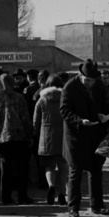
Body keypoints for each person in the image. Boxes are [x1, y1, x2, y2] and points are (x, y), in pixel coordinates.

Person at [60, 59, 109, 217]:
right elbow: (64, 110)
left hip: (96, 133)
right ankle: (73, 208)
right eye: (87, 80)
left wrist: (105, 116)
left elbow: (105, 104)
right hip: (76, 135)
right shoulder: (70, 87)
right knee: (75, 171)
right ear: (80, 75)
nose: (90, 83)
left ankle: (97, 205)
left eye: (92, 80)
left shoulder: (99, 85)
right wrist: (80, 121)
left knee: (96, 169)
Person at [0, 73, 34, 205]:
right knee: (21, 168)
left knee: (5, 169)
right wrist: (30, 135)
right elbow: (25, 118)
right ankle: (22, 196)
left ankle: (4, 197)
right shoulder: (19, 98)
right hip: (20, 137)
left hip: (2, 138)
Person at [33, 74, 68, 206]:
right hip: (63, 136)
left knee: (49, 166)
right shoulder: (65, 99)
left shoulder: (41, 100)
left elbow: (36, 121)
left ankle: (51, 186)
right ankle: (62, 192)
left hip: (46, 137)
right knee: (63, 166)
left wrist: (35, 134)